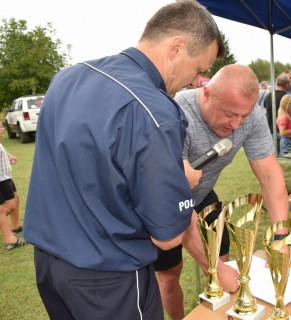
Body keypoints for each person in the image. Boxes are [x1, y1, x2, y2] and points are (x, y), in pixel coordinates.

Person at [22, 1, 225, 319]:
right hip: (108, 278)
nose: (194, 81)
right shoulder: (156, 112)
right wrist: (181, 181)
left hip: (49, 263)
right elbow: (168, 237)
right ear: (176, 47)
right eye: (199, 69)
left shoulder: (68, 77)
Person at [155, 64, 290, 320]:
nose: (237, 124)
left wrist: (281, 238)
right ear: (206, 93)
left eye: (244, 115)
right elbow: (176, 198)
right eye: (230, 114)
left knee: (223, 268)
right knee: (170, 275)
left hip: (202, 194)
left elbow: (271, 176)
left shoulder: (249, 117)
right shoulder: (175, 113)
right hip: (166, 201)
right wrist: (214, 267)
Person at [0, 124, 25, 250]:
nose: (3, 128)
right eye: (0, 127)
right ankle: (10, 240)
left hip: (6, 177)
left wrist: (9, 159)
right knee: (8, 207)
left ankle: (16, 226)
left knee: (16, 199)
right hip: (1, 180)